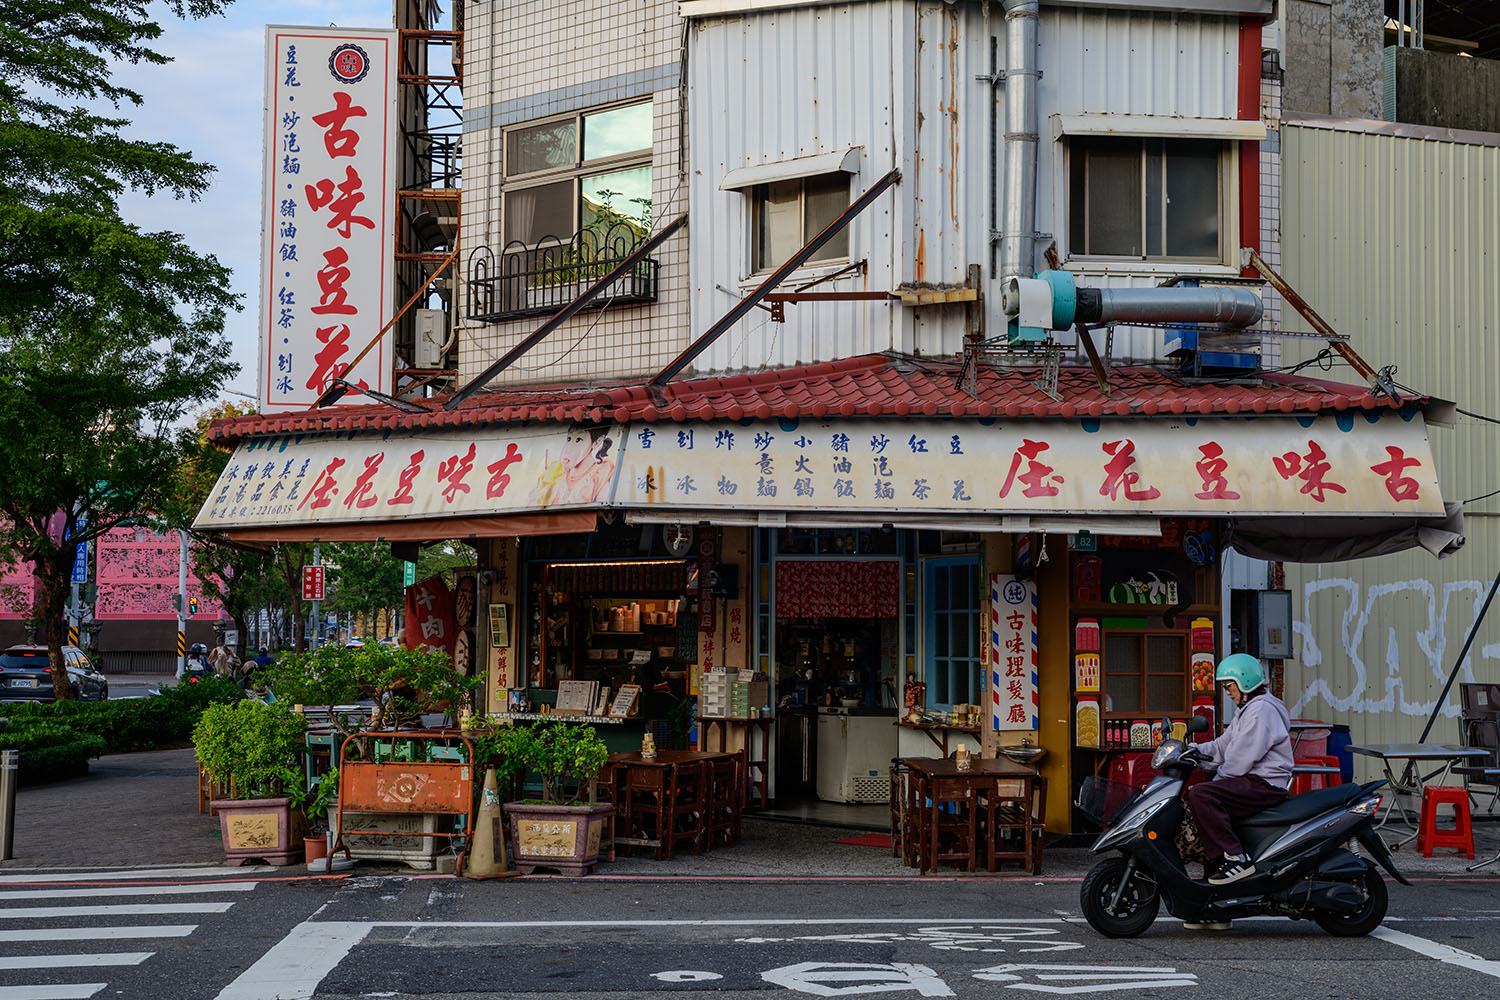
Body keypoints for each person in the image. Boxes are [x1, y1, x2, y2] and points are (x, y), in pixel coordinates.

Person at [1184, 653, 1293, 887]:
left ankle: (1236, 857)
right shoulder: (1248, 710)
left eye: (1229, 686)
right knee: (1203, 799)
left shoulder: (1262, 710)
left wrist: (1218, 781)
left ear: (1245, 682)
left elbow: (1241, 757)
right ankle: (1213, 901)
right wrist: (1191, 751)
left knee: (1202, 794)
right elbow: (1223, 746)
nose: (1227, 691)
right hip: (1251, 781)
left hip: (1265, 784)